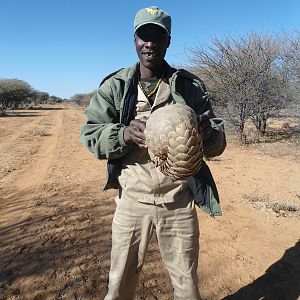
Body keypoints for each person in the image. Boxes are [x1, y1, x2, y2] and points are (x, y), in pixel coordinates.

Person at [80, 6, 226, 300]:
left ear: (168, 40)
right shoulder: (116, 85)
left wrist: (207, 132)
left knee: (187, 285)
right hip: (132, 200)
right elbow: (90, 134)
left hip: (178, 201)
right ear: (135, 40)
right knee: (120, 285)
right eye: (144, 36)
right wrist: (123, 134)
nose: (150, 43)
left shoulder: (189, 85)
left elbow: (218, 142)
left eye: (157, 36)